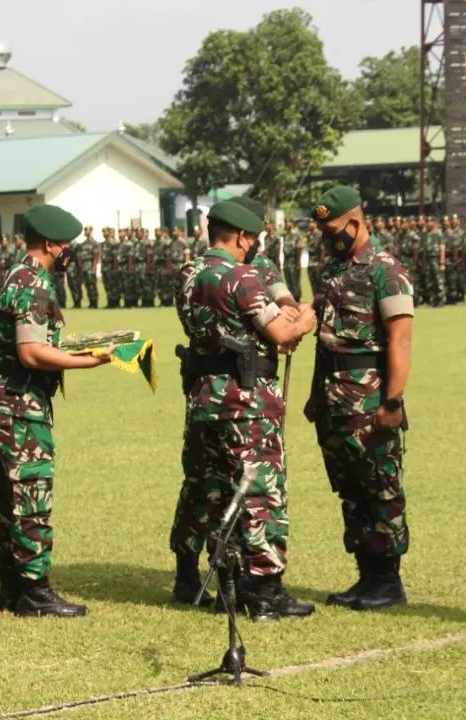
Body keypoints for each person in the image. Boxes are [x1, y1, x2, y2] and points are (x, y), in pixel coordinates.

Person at [171, 200, 317, 620]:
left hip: (205, 399)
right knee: (260, 494)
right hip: (246, 402)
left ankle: (229, 587)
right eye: (251, 238)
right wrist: (306, 319)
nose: (252, 245)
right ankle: (265, 592)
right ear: (239, 236)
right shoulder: (241, 277)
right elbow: (281, 331)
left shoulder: (188, 275)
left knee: (217, 494)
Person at [0, 204, 114, 617]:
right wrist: (92, 361)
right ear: (50, 244)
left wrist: (76, 350)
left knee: (5, 498)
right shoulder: (33, 282)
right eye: (66, 245)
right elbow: (32, 353)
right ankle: (34, 592)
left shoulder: (14, 274)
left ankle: (11, 588)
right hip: (19, 403)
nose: (70, 252)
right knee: (31, 497)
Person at [304, 186, 415, 611]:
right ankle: (366, 574)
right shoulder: (332, 270)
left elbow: (400, 340)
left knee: (380, 488)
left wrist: (393, 401)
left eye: (332, 230)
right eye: (322, 232)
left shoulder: (387, 270)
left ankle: (388, 580)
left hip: (369, 400)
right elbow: (324, 341)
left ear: (354, 222)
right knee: (350, 489)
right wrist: (315, 393)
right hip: (334, 399)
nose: (327, 238)